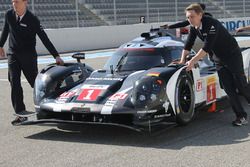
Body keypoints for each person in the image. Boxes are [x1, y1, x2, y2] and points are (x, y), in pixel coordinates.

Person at [180, 3, 250, 126]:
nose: (189, 20)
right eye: (187, 17)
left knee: (241, 85)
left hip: (232, 56)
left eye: (192, 16)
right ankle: (241, 116)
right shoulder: (193, 27)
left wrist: (192, 61)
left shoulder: (211, 24)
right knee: (228, 89)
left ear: (200, 15)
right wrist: (182, 60)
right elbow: (188, 45)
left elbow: (206, 47)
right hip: (218, 60)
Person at [0, 0, 64, 125]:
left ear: (25, 2)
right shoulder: (9, 15)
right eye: (13, 2)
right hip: (13, 54)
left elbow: (44, 37)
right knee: (14, 81)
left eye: (17, 2)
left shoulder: (33, 19)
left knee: (36, 84)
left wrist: (56, 55)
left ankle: (50, 108)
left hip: (28, 57)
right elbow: (5, 30)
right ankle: (20, 112)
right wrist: (0, 45)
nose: (14, 4)